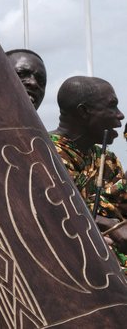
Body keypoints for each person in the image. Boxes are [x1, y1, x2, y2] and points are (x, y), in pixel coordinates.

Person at [49, 76, 127, 272]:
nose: (120, 115)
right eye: (112, 107)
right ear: (84, 111)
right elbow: (52, 212)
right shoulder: (42, 153)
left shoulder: (106, 159)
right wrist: (109, 225)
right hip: (76, 269)